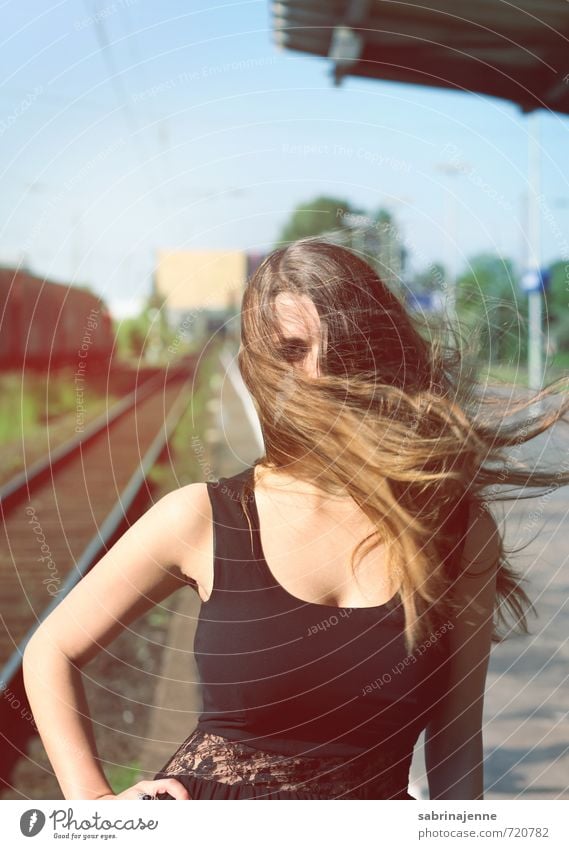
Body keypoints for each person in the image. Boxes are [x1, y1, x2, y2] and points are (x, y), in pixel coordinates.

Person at [23, 238, 569, 800]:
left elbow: (456, 746)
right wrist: (95, 807)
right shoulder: (205, 518)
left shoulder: (457, 532)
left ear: (381, 352)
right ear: (259, 367)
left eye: (344, 349)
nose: (318, 374)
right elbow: (50, 651)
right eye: (290, 350)